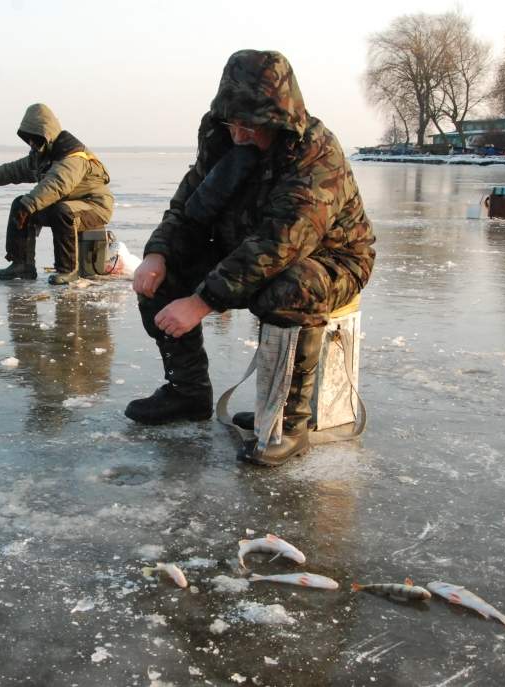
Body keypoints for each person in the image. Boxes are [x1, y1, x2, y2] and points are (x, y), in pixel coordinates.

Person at [125, 49, 375, 467]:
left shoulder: (314, 153)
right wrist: (157, 253)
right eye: (233, 122)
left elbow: (282, 242)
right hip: (244, 245)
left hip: (329, 258)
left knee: (290, 287)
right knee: (163, 277)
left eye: (251, 125)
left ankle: (287, 424)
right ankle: (187, 392)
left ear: (278, 118)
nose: (240, 134)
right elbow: (188, 205)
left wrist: (202, 301)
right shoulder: (222, 138)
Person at [0, 103, 114, 285]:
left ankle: (68, 270)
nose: (31, 143)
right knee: (19, 204)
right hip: (67, 205)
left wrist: (28, 205)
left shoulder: (73, 157)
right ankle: (22, 264)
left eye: (34, 138)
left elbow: (56, 185)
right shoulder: (43, 154)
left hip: (94, 207)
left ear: (46, 134)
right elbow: (17, 170)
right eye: (28, 139)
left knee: (59, 211)